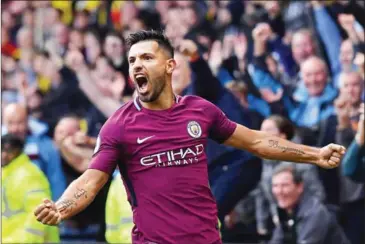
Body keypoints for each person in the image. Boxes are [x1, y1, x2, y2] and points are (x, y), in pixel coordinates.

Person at [34, 30, 346, 244]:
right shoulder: (119, 125)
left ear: (170, 66)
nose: (137, 65)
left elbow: (256, 141)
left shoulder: (200, 111)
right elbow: (91, 180)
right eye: (132, 61)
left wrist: (314, 154)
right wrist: (62, 207)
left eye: (146, 57)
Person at [269, 165, 350, 244]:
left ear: (300, 187)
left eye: (284, 185)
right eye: (275, 186)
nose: (279, 191)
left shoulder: (315, 212)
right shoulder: (286, 210)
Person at [2, 134, 60, 243]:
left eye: (8, 150)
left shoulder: (29, 174)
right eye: (1, 150)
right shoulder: (7, 173)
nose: (3, 154)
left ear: (18, 150)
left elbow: (40, 213)